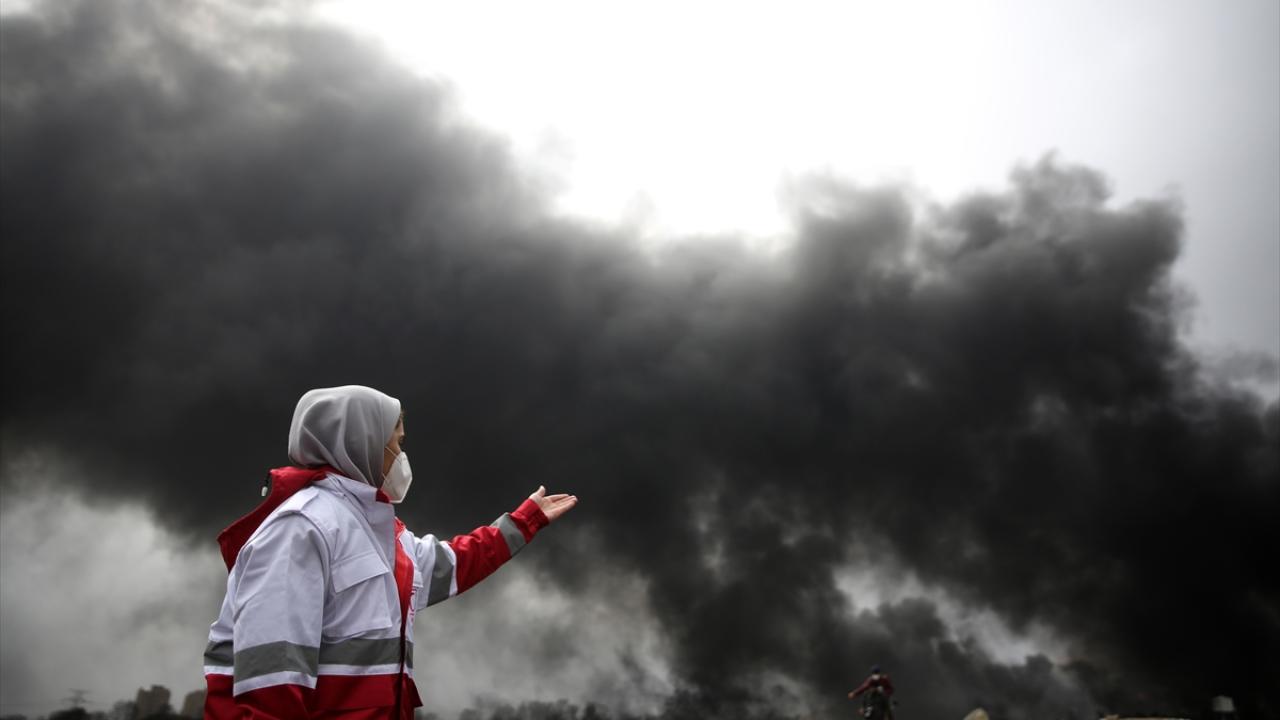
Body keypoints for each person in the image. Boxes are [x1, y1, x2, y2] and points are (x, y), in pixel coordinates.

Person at [202, 385, 577, 719]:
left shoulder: (379, 531)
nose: (401, 456)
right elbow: (271, 684)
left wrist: (524, 522)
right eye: (396, 443)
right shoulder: (300, 527)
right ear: (361, 443)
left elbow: (451, 564)